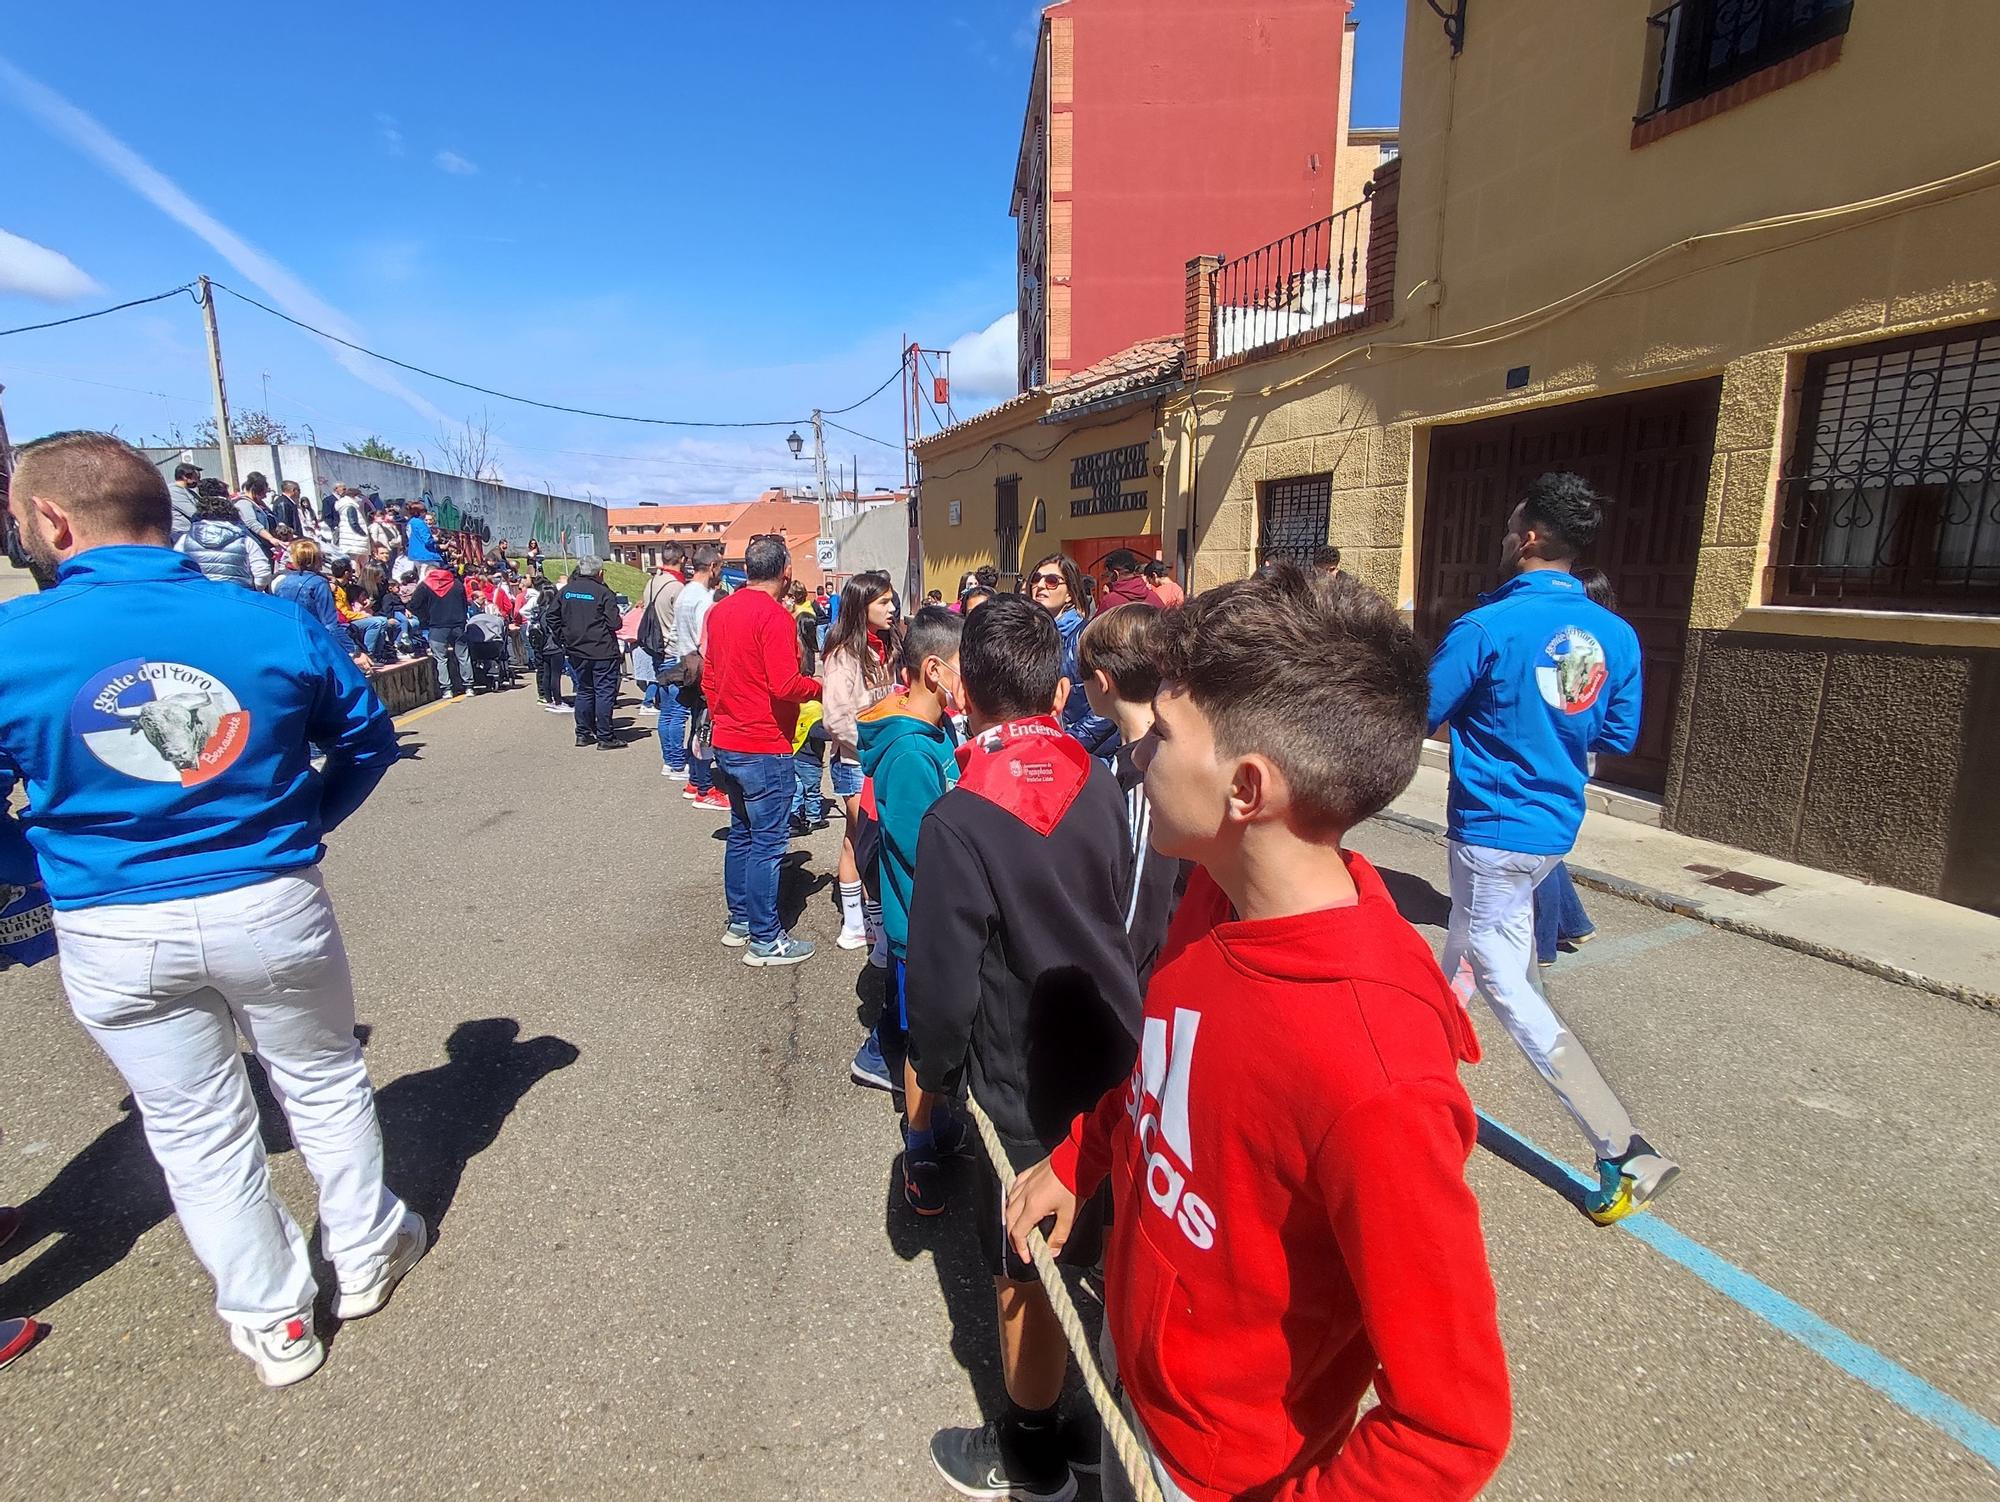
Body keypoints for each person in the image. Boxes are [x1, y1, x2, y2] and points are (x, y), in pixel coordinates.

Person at [1007, 564, 1513, 1502]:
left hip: (1223, 1473)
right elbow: (1166, 1076)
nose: (1139, 753)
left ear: (1247, 788)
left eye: (1162, 734)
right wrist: (1083, 1157)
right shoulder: (1215, 891)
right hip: (1142, 1380)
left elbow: (1449, 1428)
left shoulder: (1377, 1071)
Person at [0, 431, 424, 1389]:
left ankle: (274, 1319)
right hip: (268, 895)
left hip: (109, 920)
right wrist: (299, 824)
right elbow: (366, 739)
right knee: (320, 1077)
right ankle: (364, 1255)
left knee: (193, 1126)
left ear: (56, 522)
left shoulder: (12, 642)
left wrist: (53, 866)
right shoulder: (267, 619)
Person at [907, 594, 1142, 1499]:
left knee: (1025, 1274)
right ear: (1055, 684)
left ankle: (1033, 1449)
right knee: (1107, 1245)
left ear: (962, 685)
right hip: (1116, 1054)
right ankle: (1095, 1423)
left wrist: (934, 1077)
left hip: (1020, 1083)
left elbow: (940, 985)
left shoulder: (960, 815)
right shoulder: (1109, 783)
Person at [1427, 471, 1677, 1224]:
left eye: (1511, 527)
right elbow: (1615, 733)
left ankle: (1622, 1146)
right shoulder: (1618, 634)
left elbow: (1420, 710)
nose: (1506, 537)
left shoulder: (1486, 627)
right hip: (1551, 826)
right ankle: (1417, 1070)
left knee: (1503, 978)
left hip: (1492, 829)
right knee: (1473, 948)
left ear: (1529, 537)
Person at [855, 605, 967, 1215]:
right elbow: (923, 847)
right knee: (926, 1047)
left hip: (935, 923)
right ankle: (919, 1143)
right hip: (919, 928)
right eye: (962, 670)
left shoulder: (932, 737)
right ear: (932, 670)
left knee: (942, 1042)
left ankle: (941, 1124)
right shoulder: (908, 756)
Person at [703, 535, 822, 965]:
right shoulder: (775, 616)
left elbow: (710, 676)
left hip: (728, 741)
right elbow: (786, 684)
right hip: (764, 744)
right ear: (786, 572)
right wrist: (821, 689)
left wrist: (723, 715)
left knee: (742, 833)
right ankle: (765, 938)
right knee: (768, 845)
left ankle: (740, 920)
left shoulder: (720, 611)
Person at [1077, 603, 1187, 984]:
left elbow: (1141, 897)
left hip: (1136, 982)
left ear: (1102, 681)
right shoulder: (1137, 756)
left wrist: (1105, 978)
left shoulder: (1142, 775)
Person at [821, 572, 899, 955]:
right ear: (860, 606)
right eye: (883, 602)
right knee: (870, 845)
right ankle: (876, 929)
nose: (892, 608)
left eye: (891, 600)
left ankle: (855, 924)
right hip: (856, 763)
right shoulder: (843, 655)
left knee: (855, 841)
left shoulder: (886, 646)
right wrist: (871, 746)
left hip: (877, 758)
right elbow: (835, 718)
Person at [1027, 551, 1117, 757]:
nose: (1040, 585)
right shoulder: (1030, 638)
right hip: (1040, 748)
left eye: (1051, 581)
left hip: (1084, 754)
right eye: (1036, 579)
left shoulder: (1087, 638)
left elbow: (1107, 707)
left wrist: (1068, 743)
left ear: (1069, 593)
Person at [673, 545, 725, 807]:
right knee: (705, 728)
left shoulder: (684, 593)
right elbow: (706, 638)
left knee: (697, 725)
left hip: (686, 663)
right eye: (721, 566)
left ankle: (695, 780)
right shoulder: (704, 599)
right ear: (713, 566)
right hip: (702, 666)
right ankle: (705, 789)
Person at [554, 556, 624, 749]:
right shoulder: (604, 593)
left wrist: (564, 636)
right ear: (600, 573)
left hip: (577, 649)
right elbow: (614, 623)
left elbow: (552, 617)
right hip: (602, 650)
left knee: (585, 690)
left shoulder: (566, 591)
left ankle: (583, 734)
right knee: (604, 693)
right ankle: (605, 737)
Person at [176, 481, 274, 591]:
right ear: (231, 513)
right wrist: (253, 591)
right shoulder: (245, 541)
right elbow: (262, 573)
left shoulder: (184, 540)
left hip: (199, 597)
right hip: (238, 598)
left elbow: (177, 569)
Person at [407, 558, 473, 702]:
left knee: (441, 659)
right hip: (457, 625)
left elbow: (413, 605)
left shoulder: (425, 585)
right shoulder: (456, 583)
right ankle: (469, 686)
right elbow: (465, 603)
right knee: (463, 656)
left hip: (437, 626)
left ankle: (447, 690)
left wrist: (426, 618)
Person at [272, 537, 342, 636]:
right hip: (314, 636)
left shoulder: (281, 581)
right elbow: (330, 624)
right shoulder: (319, 583)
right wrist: (353, 650)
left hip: (290, 634)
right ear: (316, 560)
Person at [525, 572, 568, 710]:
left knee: (546, 673)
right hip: (554, 645)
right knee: (555, 675)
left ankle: (548, 698)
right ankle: (557, 701)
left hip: (542, 645)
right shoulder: (553, 612)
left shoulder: (538, 611)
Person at [1096, 547, 1165, 610]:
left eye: (1108, 575)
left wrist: (1107, 596)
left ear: (1115, 574)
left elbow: (1097, 623)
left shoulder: (1109, 602)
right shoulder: (1154, 597)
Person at [404, 498, 443, 567]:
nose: (426, 513)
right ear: (419, 512)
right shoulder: (420, 523)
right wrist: (435, 539)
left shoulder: (410, 522)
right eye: (425, 511)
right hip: (426, 555)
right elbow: (427, 541)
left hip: (414, 555)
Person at [168, 460, 202, 539]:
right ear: (185, 476)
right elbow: (195, 513)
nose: (198, 479)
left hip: (191, 532)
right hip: (180, 534)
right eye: (196, 476)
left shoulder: (189, 491)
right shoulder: (174, 491)